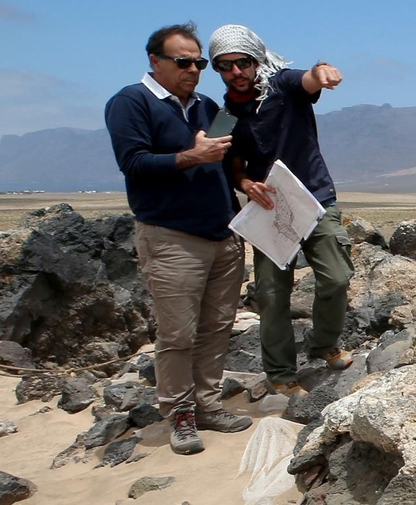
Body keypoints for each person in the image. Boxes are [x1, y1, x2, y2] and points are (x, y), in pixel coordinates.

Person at [104, 23, 251, 455]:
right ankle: (179, 413)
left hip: (221, 233)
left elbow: (226, 162)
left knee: (217, 327)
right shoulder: (132, 102)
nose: (193, 69)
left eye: (199, 62)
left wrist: (245, 184)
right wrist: (192, 156)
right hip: (170, 237)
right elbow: (134, 163)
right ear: (155, 61)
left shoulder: (206, 106)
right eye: (182, 61)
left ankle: (207, 403)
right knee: (177, 333)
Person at [207, 24, 354, 385]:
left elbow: (310, 78)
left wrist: (322, 72)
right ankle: (280, 372)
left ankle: (323, 344)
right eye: (224, 66)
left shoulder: (284, 86)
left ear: (256, 59)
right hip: (269, 209)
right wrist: (243, 183)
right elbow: (228, 163)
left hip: (315, 198)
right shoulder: (224, 115)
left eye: (242, 62)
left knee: (337, 277)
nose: (236, 72)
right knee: (272, 294)